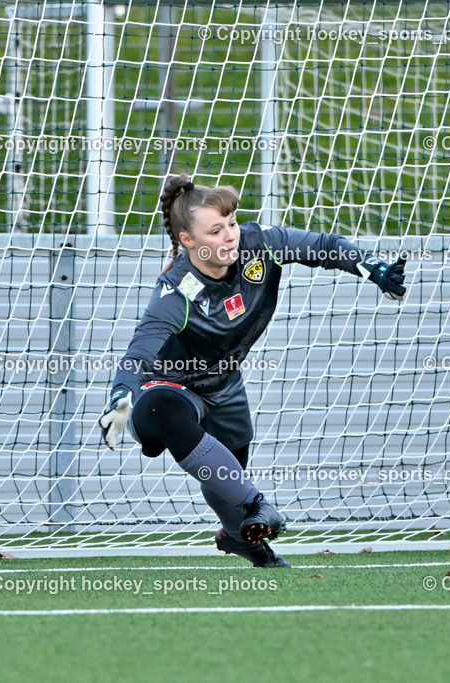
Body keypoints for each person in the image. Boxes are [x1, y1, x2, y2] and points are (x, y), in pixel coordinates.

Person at [98, 174, 407, 568]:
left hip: (225, 388)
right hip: (169, 388)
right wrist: (122, 395)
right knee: (162, 412)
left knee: (226, 473)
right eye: (215, 231)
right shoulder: (175, 292)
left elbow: (326, 247)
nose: (230, 236)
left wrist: (374, 269)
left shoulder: (260, 244)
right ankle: (257, 505)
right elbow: (140, 350)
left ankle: (238, 537)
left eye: (231, 223)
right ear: (188, 240)